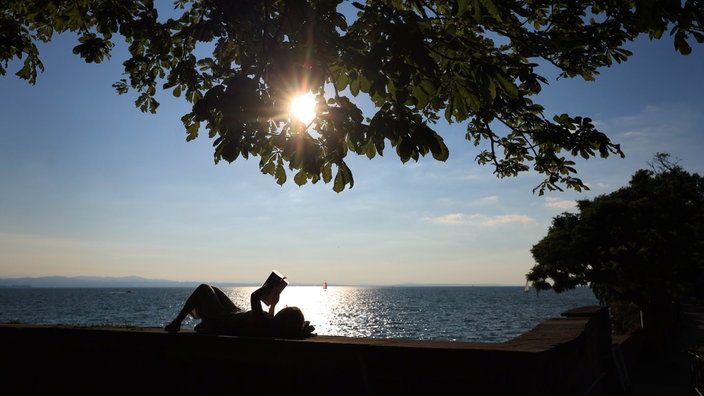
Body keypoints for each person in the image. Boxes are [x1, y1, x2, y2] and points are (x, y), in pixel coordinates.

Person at [164, 282, 315, 339]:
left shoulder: (262, 324)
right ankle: (204, 322)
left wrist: (272, 285)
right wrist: (273, 305)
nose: (284, 308)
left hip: (223, 319)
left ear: (283, 317)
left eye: (285, 309)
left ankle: (178, 322)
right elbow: (271, 322)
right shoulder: (271, 326)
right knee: (213, 289)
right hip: (234, 314)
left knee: (204, 288)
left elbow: (254, 297)